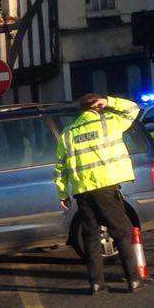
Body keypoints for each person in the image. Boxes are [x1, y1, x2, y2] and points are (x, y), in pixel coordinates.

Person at [55, 93, 148, 294]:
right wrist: (110, 101)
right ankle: (133, 279)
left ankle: (96, 283)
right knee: (121, 232)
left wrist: (62, 194)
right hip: (106, 188)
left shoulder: (68, 133)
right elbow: (133, 109)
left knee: (91, 237)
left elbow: (60, 168)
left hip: (83, 193)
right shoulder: (109, 123)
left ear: (81, 110)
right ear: (98, 106)